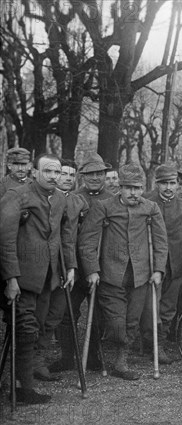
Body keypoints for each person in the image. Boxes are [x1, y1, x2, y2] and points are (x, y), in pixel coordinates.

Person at [78, 164, 169, 380]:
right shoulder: (104, 207)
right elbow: (88, 241)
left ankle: (121, 360)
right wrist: (91, 270)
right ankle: (108, 345)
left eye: (137, 188)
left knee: (131, 321)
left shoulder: (151, 208)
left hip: (140, 276)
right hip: (111, 274)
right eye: (128, 188)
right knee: (117, 323)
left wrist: (158, 270)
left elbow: (160, 242)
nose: (134, 193)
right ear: (120, 187)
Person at [0, 154, 76, 404]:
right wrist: (11, 278)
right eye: (48, 171)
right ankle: (22, 388)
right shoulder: (18, 195)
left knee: (36, 330)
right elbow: (6, 239)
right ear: (35, 172)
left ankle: (22, 384)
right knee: (25, 330)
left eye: (57, 172)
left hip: (48, 278)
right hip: (21, 279)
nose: (54, 176)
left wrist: (71, 267)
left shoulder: (61, 199)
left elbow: (65, 236)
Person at [49, 152, 114, 373]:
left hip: (102, 267)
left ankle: (93, 356)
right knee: (68, 312)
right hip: (75, 267)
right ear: (83, 175)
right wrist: (70, 265)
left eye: (99, 173)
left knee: (99, 314)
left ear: (105, 175)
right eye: (90, 173)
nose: (95, 177)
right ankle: (67, 356)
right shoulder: (72, 198)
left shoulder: (114, 199)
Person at [140, 165, 182, 364]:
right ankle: (147, 342)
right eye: (164, 183)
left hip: (176, 263)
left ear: (177, 184)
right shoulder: (146, 201)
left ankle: (160, 344)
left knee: (168, 308)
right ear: (157, 184)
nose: (168, 187)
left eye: (172, 183)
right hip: (150, 263)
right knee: (150, 305)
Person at [35, 159, 88, 380]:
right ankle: (32, 360)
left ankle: (38, 356)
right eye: (62, 173)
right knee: (39, 313)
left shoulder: (79, 202)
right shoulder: (45, 198)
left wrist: (73, 266)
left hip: (68, 265)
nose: (66, 178)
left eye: (70, 175)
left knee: (57, 313)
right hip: (44, 265)